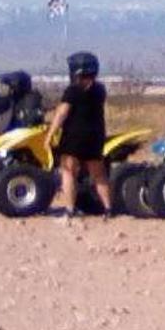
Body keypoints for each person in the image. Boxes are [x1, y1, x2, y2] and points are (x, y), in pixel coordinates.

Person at [47, 51, 114, 218]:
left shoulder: (73, 90)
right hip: (96, 136)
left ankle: (70, 209)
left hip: (74, 136)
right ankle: (108, 208)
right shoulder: (100, 90)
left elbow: (62, 113)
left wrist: (50, 134)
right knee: (99, 174)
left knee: (68, 172)